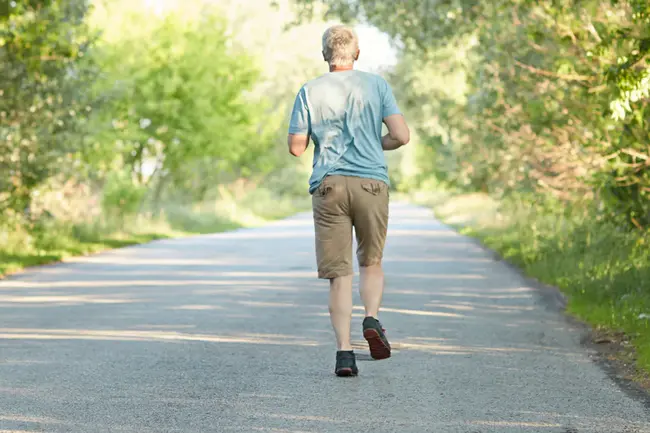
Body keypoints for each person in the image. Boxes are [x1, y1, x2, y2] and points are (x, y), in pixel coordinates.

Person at [287, 25, 410, 376]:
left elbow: (297, 148)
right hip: (371, 183)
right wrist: (375, 142)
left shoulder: (309, 91)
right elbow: (401, 135)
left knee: (339, 275)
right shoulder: (376, 85)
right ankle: (371, 318)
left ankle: (344, 354)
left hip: (329, 187)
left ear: (325, 55)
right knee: (371, 262)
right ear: (356, 53)